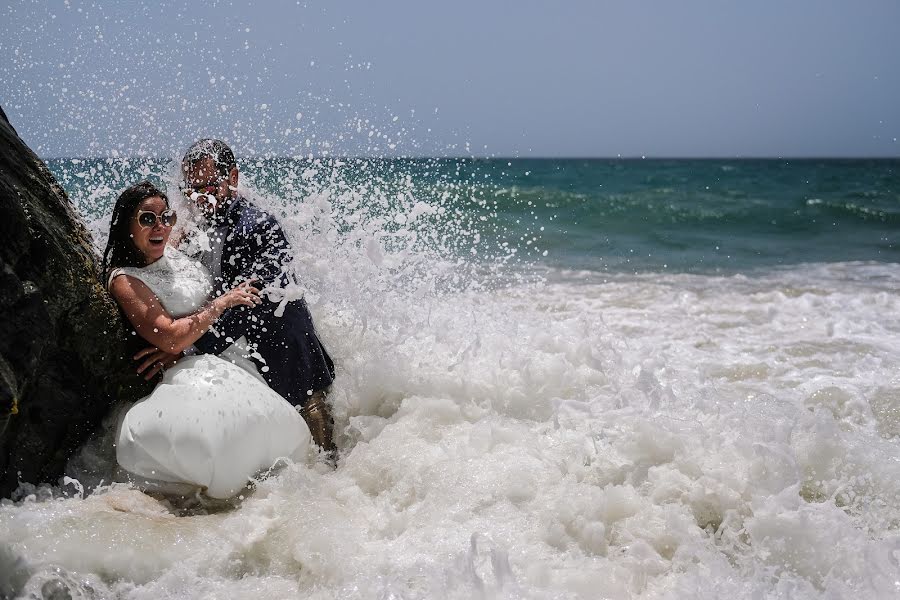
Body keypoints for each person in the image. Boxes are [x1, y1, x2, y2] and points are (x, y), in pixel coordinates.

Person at [103, 181, 312, 499]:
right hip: (190, 368)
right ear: (125, 226)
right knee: (219, 440)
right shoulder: (126, 279)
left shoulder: (169, 246)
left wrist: (208, 193)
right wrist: (222, 303)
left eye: (166, 217)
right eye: (147, 219)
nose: (159, 226)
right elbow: (170, 337)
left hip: (225, 354)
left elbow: (201, 209)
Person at [178, 139, 337, 454]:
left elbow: (251, 301)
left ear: (233, 178)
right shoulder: (203, 226)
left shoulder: (260, 226)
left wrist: (191, 346)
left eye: (210, 187)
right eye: (193, 190)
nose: (201, 199)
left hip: (294, 363)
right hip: (250, 356)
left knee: (323, 462)